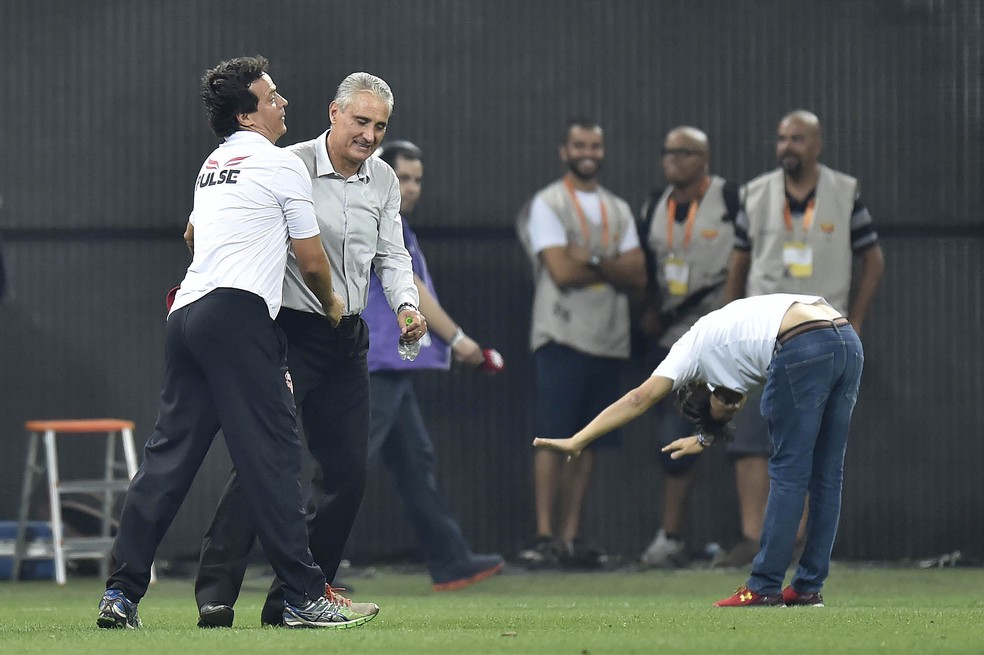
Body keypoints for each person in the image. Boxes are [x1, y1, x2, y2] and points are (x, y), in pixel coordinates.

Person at [97, 55, 354, 630]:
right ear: (248, 114)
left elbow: (192, 233)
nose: (283, 101)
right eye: (272, 96)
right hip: (237, 318)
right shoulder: (280, 163)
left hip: (188, 313)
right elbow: (312, 261)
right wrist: (333, 305)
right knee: (277, 456)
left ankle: (120, 595)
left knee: (168, 460)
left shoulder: (213, 163)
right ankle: (305, 597)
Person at [193, 72, 426, 628]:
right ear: (333, 113)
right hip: (287, 332)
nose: (369, 135)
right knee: (264, 462)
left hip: (346, 338)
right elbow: (211, 221)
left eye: (380, 126)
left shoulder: (384, 180)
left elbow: (392, 256)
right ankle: (216, 592)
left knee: (347, 471)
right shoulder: (286, 162)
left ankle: (297, 599)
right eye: (361, 121)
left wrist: (406, 307)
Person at [534, 293, 864, 607]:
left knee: (789, 472)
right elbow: (726, 403)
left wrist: (579, 438)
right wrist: (706, 437)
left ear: (701, 388)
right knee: (826, 476)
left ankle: (763, 587)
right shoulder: (729, 353)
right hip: (846, 339)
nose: (729, 410)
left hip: (803, 342)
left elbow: (640, 398)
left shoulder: (687, 352)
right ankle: (807, 588)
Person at [713, 109, 885, 568]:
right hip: (762, 334)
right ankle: (753, 537)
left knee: (808, 439)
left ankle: (795, 540)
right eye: (782, 138)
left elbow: (873, 259)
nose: (788, 146)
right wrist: (732, 320)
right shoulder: (755, 193)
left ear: (818, 145)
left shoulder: (844, 193)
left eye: (798, 138)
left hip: (819, 334)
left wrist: (858, 319)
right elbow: (738, 263)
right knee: (749, 438)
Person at [359, 140, 505, 591]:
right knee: (345, 466)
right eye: (403, 177)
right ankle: (299, 567)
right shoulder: (381, 218)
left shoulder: (388, 220)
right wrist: (461, 341)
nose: (412, 187)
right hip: (374, 362)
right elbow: (414, 288)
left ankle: (451, 560)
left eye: (418, 179)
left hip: (389, 363)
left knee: (413, 460)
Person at [516, 118, 647, 568]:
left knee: (590, 441)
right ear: (564, 150)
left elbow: (637, 275)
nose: (588, 151)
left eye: (595, 144)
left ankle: (571, 538)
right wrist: (608, 263)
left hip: (608, 339)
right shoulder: (548, 203)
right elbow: (561, 271)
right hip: (560, 334)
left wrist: (587, 255)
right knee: (553, 435)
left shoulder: (618, 208)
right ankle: (544, 535)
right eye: (579, 144)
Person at [634, 126, 737, 567]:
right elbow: (647, 267)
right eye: (667, 151)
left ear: (705, 157)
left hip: (727, 336)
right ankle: (671, 537)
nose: (672, 159)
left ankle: (757, 537)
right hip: (674, 339)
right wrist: (649, 308)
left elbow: (749, 257)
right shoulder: (654, 205)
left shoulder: (734, 201)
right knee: (676, 434)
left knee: (745, 437)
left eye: (684, 152)